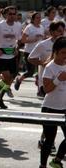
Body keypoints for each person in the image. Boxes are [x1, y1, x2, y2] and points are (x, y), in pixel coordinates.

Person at [0, 6, 22, 109]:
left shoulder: (18, 25)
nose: (12, 16)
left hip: (12, 55)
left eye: (14, 14)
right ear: (6, 15)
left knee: (10, 80)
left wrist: (17, 48)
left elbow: (19, 39)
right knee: (6, 77)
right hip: (1, 55)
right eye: (10, 14)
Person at [39, 36, 66, 168]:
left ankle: (57, 160)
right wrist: (58, 79)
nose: (65, 56)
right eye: (63, 53)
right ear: (55, 51)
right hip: (50, 107)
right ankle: (42, 165)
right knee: (49, 140)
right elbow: (47, 89)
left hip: (65, 108)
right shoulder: (50, 67)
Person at [14, 12, 45, 91]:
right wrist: (34, 39)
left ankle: (40, 89)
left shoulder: (41, 27)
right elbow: (23, 40)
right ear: (33, 19)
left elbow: (43, 38)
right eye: (37, 18)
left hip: (40, 52)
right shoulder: (29, 27)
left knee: (41, 71)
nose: (39, 19)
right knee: (30, 72)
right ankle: (19, 79)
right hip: (29, 52)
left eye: (40, 18)